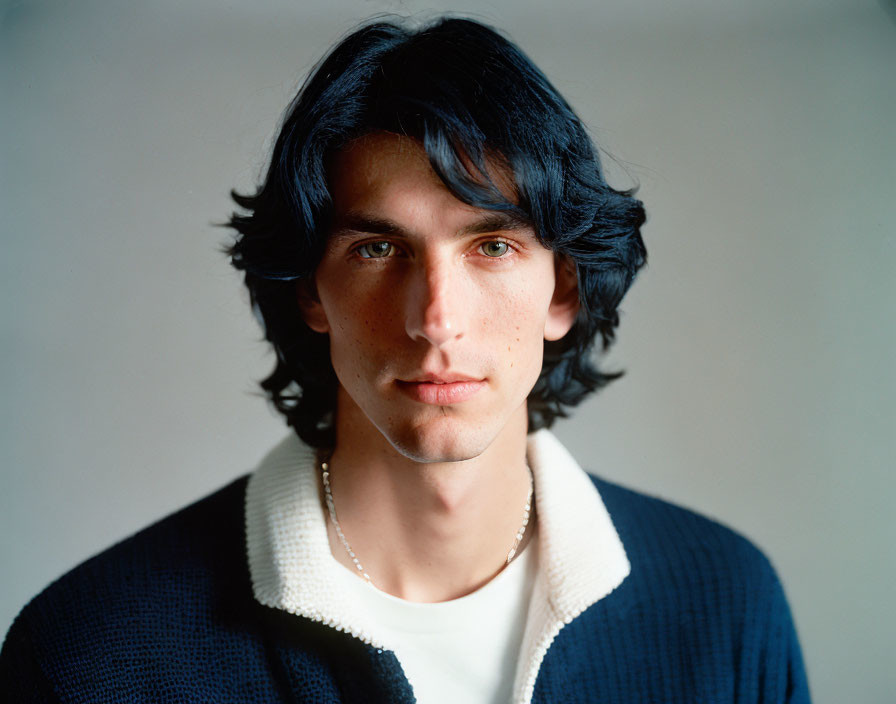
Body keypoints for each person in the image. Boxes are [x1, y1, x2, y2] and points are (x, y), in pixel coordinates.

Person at [0, 15, 810, 704]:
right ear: (310, 294)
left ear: (564, 291)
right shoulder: (92, 654)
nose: (436, 319)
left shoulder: (726, 607)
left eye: (492, 245)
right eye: (378, 248)